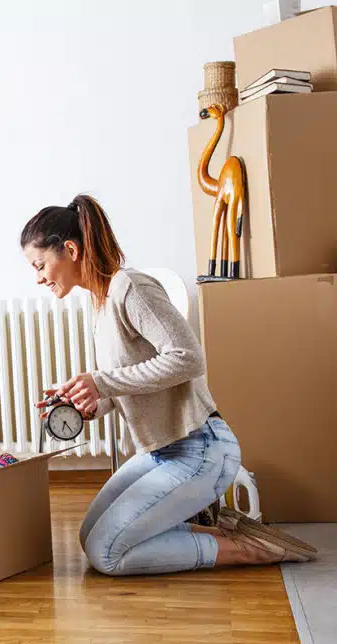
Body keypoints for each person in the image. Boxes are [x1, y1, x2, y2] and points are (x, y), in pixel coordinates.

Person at [21, 194, 317, 576]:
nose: (38, 278)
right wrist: (88, 402)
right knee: (89, 534)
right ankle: (223, 531)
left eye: (40, 265)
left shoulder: (130, 287)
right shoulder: (100, 304)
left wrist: (101, 381)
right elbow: (128, 383)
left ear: (71, 250)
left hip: (201, 448)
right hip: (160, 451)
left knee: (106, 554)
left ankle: (247, 549)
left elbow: (188, 358)